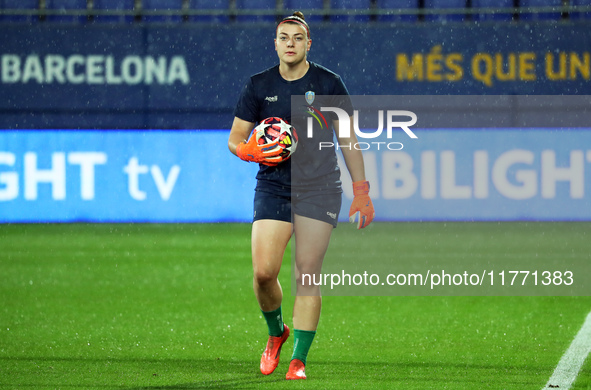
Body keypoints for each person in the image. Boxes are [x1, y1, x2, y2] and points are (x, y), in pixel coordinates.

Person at [228, 11, 375, 380]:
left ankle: (298, 360)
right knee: (264, 273)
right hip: (274, 186)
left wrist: (361, 190)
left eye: (297, 38)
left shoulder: (328, 83)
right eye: (284, 37)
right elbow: (235, 140)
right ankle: (277, 333)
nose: (290, 43)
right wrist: (250, 151)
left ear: (308, 44)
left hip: (321, 187)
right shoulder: (259, 85)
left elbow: (348, 139)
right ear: (275, 43)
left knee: (307, 274)